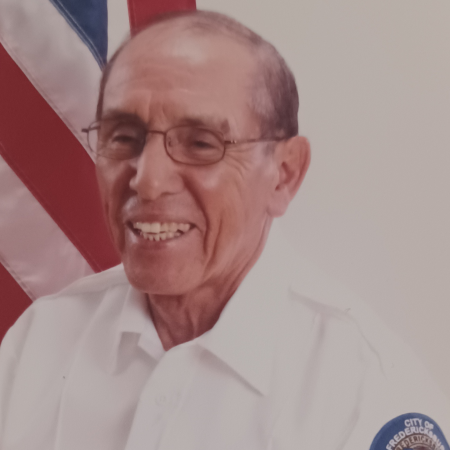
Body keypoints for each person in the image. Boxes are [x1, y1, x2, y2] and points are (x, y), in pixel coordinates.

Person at [0, 10, 449, 450]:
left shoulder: (363, 391)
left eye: (200, 143)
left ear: (284, 175)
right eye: (123, 137)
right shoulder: (40, 341)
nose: (148, 180)